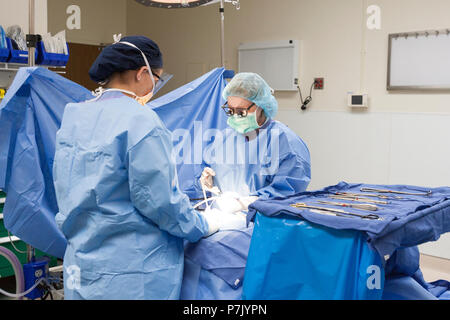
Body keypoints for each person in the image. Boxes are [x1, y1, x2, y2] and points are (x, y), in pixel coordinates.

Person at [53, 36, 219, 300]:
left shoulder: (74, 115)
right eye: (157, 78)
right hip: (130, 272)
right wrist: (203, 223)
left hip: (81, 263)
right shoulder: (141, 120)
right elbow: (160, 202)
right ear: (143, 73)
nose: (156, 85)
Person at [198, 72, 311, 211]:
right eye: (230, 110)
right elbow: (210, 168)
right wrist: (207, 180)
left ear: (261, 106)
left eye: (241, 112)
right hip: (223, 219)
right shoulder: (225, 138)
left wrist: (247, 203)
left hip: (261, 222)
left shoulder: (285, 141)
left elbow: (289, 191)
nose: (235, 117)